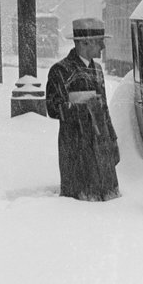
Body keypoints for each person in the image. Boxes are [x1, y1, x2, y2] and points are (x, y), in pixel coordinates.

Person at [46, 17, 120, 201]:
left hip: (100, 143)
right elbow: (54, 108)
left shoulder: (97, 70)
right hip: (75, 145)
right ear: (85, 42)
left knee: (105, 199)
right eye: (99, 41)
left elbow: (104, 109)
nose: (103, 46)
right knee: (80, 201)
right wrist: (85, 109)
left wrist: (112, 138)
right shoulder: (60, 70)